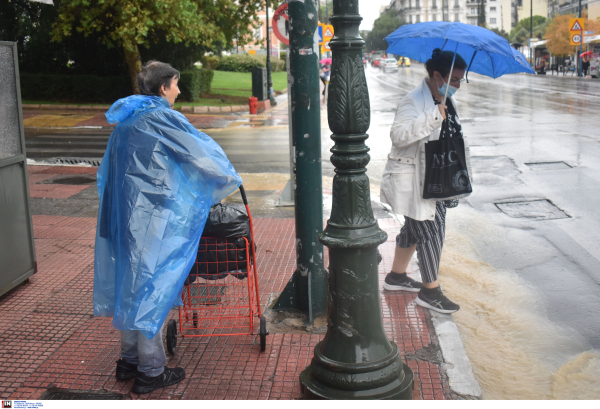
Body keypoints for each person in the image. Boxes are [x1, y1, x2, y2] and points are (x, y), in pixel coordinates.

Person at [94, 61, 242, 394]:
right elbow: (202, 156)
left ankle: (128, 361)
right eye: (175, 84)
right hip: (153, 221)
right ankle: (150, 371)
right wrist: (227, 177)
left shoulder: (127, 121)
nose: (178, 90)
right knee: (151, 290)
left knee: (131, 288)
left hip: (122, 219)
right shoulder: (162, 118)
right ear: (163, 87)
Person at [380, 48, 472, 314]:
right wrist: (433, 116)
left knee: (414, 229)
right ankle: (430, 291)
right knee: (431, 231)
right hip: (417, 180)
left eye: (460, 80)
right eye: (454, 79)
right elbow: (398, 136)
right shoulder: (413, 101)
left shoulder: (446, 100)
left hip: (438, 178)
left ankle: (396, 277)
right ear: (437, 75)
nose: (457, 85)